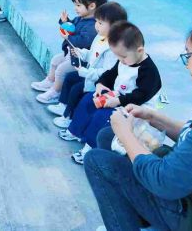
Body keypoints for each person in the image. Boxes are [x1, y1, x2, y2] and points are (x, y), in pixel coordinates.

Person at [85, 19, 192, 231]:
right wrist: (154, 118)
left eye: (189, 56)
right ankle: (133, 217)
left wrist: (126, 135)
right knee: (107, 137)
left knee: (97, 161)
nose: (187, 65)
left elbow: (163, 181)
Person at [60, 21, 162, 165]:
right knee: (88, 100)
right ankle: (76, 131)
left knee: (102, 116)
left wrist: (118, 101)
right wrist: (101, 84)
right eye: (118, 57)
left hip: (134, 107)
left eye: (123, 57)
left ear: (139, 51)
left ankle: (90, 148)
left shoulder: (148, 71)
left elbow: (142, 95)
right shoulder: (125, 59)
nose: (121, 61)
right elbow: (111, 74)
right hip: (117, 97)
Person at [50, 2, 127, 128]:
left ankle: (69, 117)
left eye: (100, 23)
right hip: (89, 74)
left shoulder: (112, 48)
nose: (96, 25)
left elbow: (106, 73)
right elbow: (92, 54)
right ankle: (63, 106)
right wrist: (81, 53)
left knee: (77, 89)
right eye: (97, 21)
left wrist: (85, 73)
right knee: (70, 78)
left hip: (98, 82)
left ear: (115, 27)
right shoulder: (101, 37)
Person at [34, 0, 106, 104]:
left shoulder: (92, 25)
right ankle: (50, 81)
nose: (75, 8)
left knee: (61, 70)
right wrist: (65, 21)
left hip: (80, 59)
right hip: (71, 53)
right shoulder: (81, 18)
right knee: (55, 61)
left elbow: (83, 42)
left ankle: (56, 92)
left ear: (92, 6)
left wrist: (68, 37)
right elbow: (72, 27)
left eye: (78, 5)